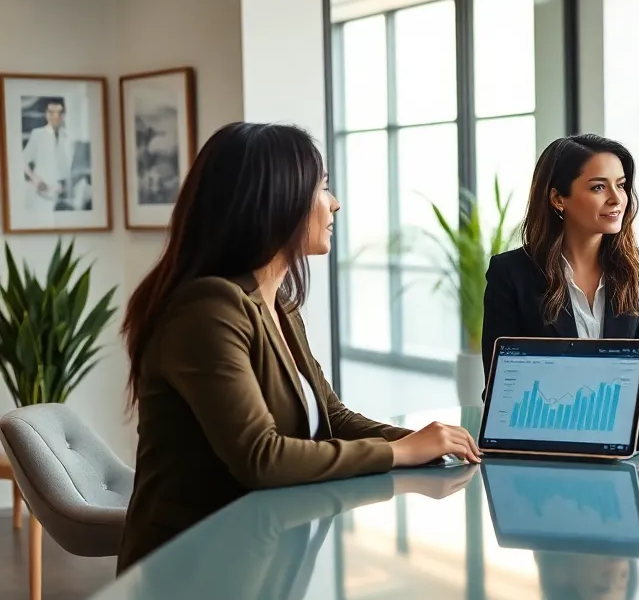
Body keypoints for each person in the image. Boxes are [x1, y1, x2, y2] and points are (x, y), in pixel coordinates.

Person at [117, 122, 480, 573]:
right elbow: (261, 458)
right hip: (191, 569)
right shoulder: (207, 310)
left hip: (261, 555)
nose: (335, 203)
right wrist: (402, 453)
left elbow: (332, 417)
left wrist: (418, 441)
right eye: (323, 188)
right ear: (277, 201)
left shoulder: (279, 304)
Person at [482, 134, 639, 421]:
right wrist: (595, 402)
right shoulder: (511, 273)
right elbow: (500, 384)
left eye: (621, 185)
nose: (617, 199)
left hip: (623, 434)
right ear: (558, 198)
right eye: (599, 187)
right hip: (544, 431)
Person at [21, 98, 73, 210]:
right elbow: (22, 161)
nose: (56, 116)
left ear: (64, 115)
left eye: (59, 112)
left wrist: (66, 185)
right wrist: (36, 180)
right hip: (41, 194)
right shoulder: (38, 134)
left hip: (62, 196)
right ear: (46, 114)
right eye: (51, 112)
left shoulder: (68, 136)